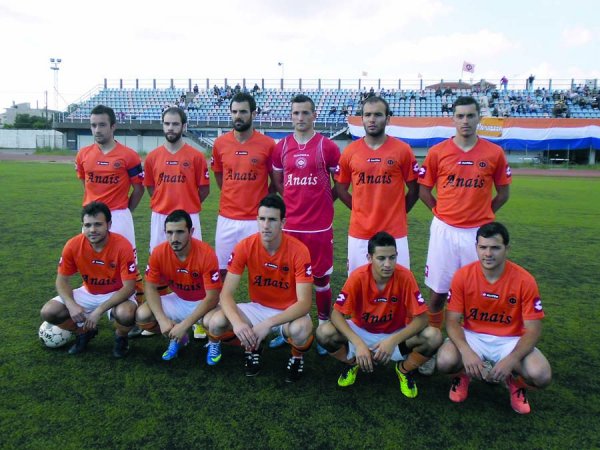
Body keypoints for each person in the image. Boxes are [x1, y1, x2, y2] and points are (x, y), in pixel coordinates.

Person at [418, 96, 511, 339]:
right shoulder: (438, 152)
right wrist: (440, 212)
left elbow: (503, 193)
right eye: (460, 116)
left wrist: (484, 214)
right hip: (444, 230)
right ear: (453, 119)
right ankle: (432, 337)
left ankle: (473, 339)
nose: (465, 121)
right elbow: (423, 191)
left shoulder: (494, 153)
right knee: (438, 290)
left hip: (478, 233)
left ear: (479, 118)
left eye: (470, 115)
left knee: (477, 289)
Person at [436, 222, 552, 414]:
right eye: (483, 247)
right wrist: (466, 351)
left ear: (507, 248)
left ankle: (515, 383)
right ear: (476, 247)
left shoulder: (525, 280)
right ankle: (463, 375)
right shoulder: (462, 276)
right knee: (444, 361)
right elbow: (452, 321)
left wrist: (512, 359)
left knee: (541, 375)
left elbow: (534, 329)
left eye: (495, 248)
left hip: (510, 340)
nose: (488, 253)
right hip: (473, 335)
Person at [316, 232, 442, 398]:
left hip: (395, 333)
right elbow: (336, 314)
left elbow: (423, 318)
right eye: (381, 258)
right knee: (323, 332)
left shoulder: (405, 276)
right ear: (369, 258)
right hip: (362, 331)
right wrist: (358, 344)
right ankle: (354, 363)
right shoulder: (358, 277)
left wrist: (392, 341)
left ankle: (403, 369)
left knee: (434, 336)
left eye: (392, 257)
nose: (388, 264)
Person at [206, 194, 314, 382]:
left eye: (272, 220)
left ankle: (297, 357)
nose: (266, 225)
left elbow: (304, 303)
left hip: (288, 312)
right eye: (262, 219)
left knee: (302, 329)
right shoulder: (245, 246)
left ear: (282, 222)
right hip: (257, 308)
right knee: (215, 321)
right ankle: (252, 346)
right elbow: (226, 294)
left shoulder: (299, 250)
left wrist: (267, 324)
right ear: (256, 220)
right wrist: (238, 323)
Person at [271, 94, 341, 355]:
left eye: (305, 113)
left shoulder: (327, 146)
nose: (300, 117)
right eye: (296, 113)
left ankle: (323, 328)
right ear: (291, 116)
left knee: (321, 279)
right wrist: (292, 203)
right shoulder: (281, 147)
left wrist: (323, 201)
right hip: (291, 226)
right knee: (289, 279)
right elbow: (279, 182)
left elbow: (340, 184)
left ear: (314, 115)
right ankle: (289, 326)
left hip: (319, 227)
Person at [40, 202, 138, 357]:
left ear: (109, 225)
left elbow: (129, 287)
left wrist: (98, 311)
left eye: (98, 224)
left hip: (117, 293)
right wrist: (71, 305)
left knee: (126, 314)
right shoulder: (73, 245)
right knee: (49, 312)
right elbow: (62, 280)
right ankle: (83, 332)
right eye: (88, 225)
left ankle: (121, 337)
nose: (92, 230)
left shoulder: (122, 246)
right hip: (89, 292)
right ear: (83, 226)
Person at [336, 96, 419, 273]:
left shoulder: (402, 150)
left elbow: (414, 189)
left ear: (387, 119)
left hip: (394, 232)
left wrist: (400, 211)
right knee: (358, 283)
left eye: (378, 115)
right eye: (367, 115)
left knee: (397, 283)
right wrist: (358, 209)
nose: (372, 119)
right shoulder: (350, 151)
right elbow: (341, 188)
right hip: (360, 233)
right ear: (362, 119)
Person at [75, 105, 145, 308]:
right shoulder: (83, 155)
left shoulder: (129, 155)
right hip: (91, 219)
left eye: (102, 125)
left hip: (119, 216)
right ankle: (92, 302)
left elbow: (138, 189)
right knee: (91, 258)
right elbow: (85, 183)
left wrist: (125, 211)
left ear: (113, 126)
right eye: (93, 125)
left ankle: (134, 308)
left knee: (128, 263)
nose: (97, 130)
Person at [135, 210, 222, 361]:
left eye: (180, 232)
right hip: (179, 299)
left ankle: (214, 343)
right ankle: (178, 338)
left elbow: (212, 297)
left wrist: (185, 325)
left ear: (191, 232)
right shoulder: (158, 252)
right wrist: (162, 320)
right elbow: (150, 287)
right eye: (169, 232)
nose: (174, 238)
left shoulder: (206, 253)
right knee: (142, 315)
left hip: (204, 302)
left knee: (214, 323)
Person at [211, 92, 275, 281]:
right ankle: (222, 300)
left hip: (256, 219)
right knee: (222, 270)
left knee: (261, 271)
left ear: (253, 114)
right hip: (227, 218)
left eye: (243, 112)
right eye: (234, 112)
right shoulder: (220, 143)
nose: (238, 116)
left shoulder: (268, 144)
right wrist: (232, 192)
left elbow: (275, 180)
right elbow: (219, 175)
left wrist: (263, 199)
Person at [144, 107, 210, 253]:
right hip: (160, 215)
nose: (170, 128)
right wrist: (162, 200)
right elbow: (150, 187)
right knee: (159, 257)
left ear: (183, 126)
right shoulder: (152, 157)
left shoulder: (196, 156)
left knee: (193, 257)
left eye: (175, 124)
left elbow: (204, 189)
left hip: (189, 215)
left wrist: (190, 201)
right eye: (167, 124)